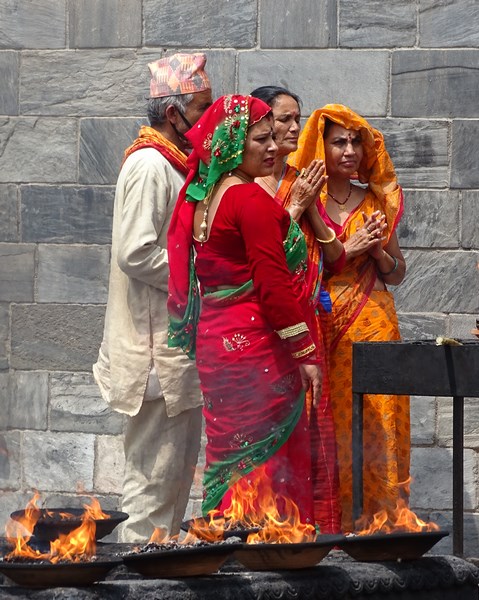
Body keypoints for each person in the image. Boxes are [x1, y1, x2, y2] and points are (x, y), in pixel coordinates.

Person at [167, 94, 323, 520]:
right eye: (261, 138)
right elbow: (273, 287)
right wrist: (306, 353)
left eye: (274, 137)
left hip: (216, 347)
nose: (273, 147)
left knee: (227, 456)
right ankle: (264, 556)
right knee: (266, 460)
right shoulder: (249, 200)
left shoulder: (203, 195)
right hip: (255, 348)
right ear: (233, 143)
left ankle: (225, 546)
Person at [92, 53, 213, 542]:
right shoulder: (148, 165)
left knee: (170, 479)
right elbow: (136, 252)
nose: (208, 122)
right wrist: (201, 280)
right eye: (202, 110)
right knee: (152, 486)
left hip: (172, 347)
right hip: (155, 351)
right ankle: (139, 578)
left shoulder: (173, 164)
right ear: (173, 114)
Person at [290, 104, 409, 532]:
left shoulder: (376, 201)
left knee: (378, 422)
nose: (350, 150)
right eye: (339, 141)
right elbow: (293, 267)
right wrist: (350, 248)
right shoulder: (304, 200)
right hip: (321, 323)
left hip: (373, 322)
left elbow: (397, 272)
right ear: (319, 147)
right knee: (330, 427)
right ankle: (330, 526)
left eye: (356, 141)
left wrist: (377, 252)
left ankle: (380, 525)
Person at [250, 86, 345, 533]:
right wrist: (293, 208)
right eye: (282, 120)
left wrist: (310, 212)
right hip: (262, 325)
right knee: (270, 434)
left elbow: (335, 255)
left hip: (306, 320)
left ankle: (311, 534)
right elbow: (258, 252)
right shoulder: (242, 184)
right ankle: (264, 530)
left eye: (296, 119)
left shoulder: (299, 178)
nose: (291, 129)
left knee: (312, 435)